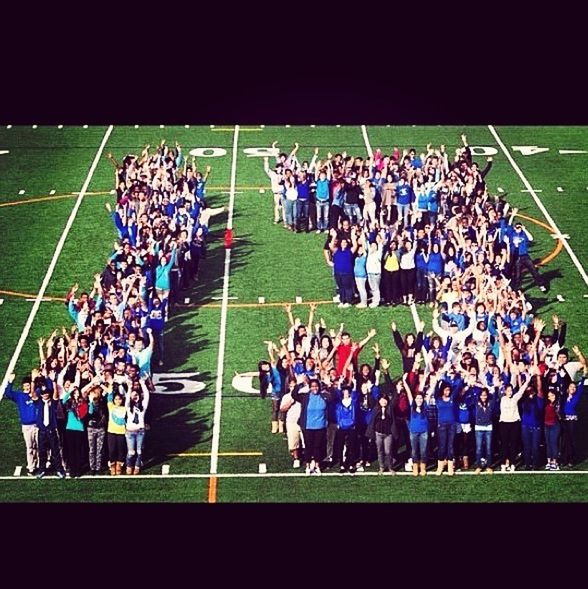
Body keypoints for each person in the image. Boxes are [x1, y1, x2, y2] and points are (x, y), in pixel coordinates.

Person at [292, 377, 332, 475]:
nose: (315, 388)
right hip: (307, 426)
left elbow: (333, 397)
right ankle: (308, 466)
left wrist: (327, 385)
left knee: (317, 447)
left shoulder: (324, 396)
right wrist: (300, 384)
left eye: (316, 386)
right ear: (309, 387)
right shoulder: (305, 397)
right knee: (308, 447)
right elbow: (294, 395)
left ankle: (317, 466)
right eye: (312, 386)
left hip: (320, 426)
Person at [32, 370, 66, 479]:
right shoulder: (39, 402)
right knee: (42, 452)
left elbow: (56, 395)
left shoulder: (53, 402)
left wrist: (54, 381)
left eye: (46, 392)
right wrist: (33, 381)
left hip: (51, 430)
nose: (45, 394)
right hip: (42, 431)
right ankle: (42, 470)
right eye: (43, 393)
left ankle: (59, 470)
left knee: (55, 452)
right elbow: (33, 395)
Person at [4, 372, 39, 476]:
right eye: (25, 386)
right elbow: (8, 393)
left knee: (39, 446)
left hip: (37, 425)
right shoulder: (19, 395)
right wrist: (10, 381)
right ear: (22, 387)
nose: (27, 387)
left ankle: (39, 465)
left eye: (28, 385)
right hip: (26, 426)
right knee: (30, 447)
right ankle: (31, 467)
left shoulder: (35, 394)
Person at [125, 377, 150, 475]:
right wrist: (130, 388)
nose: (135, 396)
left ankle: (137, 466)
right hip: (130, 431)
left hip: (140, 431)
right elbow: (127, 398)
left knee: (139, 451)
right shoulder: (128, 406)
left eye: (136, 395)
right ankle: (129, 465)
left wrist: (143, 384)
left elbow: (147, 396)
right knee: (131, 452)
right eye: (133, 395)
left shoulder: (143, 406)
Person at [279, 378, 303, 468]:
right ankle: (296, 459)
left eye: (294, 386)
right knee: (293, 442)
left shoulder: (302, 395)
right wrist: (290, 403)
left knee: (306, 441)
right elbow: (282, 409)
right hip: (292, 421)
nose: (293, 387)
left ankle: (308, 458)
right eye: (291, 386)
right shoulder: (286, 396)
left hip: (303, 421)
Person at [87, 384, 108, 475]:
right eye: (94, 392)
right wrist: (91, 401)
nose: (96, 394)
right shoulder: (89, 403)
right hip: (91, 428)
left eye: (98, 392)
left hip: (100, 428)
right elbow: (90, 412)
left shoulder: (103, 401)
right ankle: (92, 467)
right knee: (92, 449)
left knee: (99, 449)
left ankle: (98, 467)